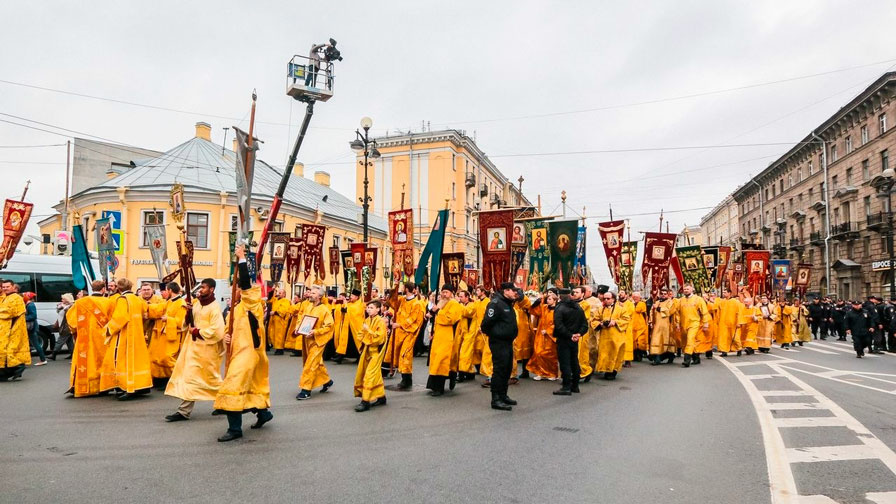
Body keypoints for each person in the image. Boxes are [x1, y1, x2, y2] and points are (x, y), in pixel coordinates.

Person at [214, 245, 273, 441]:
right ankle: (264, 414)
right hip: (237, 351)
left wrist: (241, 258)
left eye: (238, 288)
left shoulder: (252, 304)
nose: (237, 290)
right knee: (251, 385)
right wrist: (226, 337)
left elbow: (247, 284)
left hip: (249, 353)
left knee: (232, 386)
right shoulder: (234, 309)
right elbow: (229, 329)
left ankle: (235, 429)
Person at [164, 278, 225, 422]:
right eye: (200, 287)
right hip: (192, 348)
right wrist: (188, 313)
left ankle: (225, 402)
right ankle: (184, 411)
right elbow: (187, 323)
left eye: (204, 287)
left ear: (211, 289)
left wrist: (197, 331)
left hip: (207, 350)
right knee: (190, 377)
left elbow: (217, 331)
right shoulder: (197, 304)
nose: (200, 290)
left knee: (211, 379)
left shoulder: (214, 307)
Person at [99, 278, 153, 399]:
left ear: (119, 288)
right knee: (138, 361)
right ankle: (142, 386)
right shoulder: (137, 298)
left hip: (126, 335)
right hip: (138, 334)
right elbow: (145, 313)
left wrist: (108, 329)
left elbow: (120, 318)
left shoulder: (123, 299)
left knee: (124, 361)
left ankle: (129, 387)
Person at [65, 280, 110, 397]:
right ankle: (103, 386)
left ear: (92, 288)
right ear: (103, 289)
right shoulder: (109, 302)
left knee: (86, 363)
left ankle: (84, 386)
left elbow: (71, 320)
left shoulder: (80, 302)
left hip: (84, 337)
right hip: (103, 338)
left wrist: (75, 331)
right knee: (102, 362)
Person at [480, 282, 518, 410]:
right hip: (499, 342)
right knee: (499, 370)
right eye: (513, 290)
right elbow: (486, 323)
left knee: (507, 369)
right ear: (506, 291)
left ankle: (503, 395)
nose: (515, 293)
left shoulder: (507, 303)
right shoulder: (496, 303)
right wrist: (495, 334)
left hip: (508, 341)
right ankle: (496, 399)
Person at [296, 285, 335, 400]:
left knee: (311, 364)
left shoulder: (324, 310)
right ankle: (327, 381)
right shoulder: (308, 306)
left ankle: (306, 390)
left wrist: (316, 332)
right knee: (315, 362)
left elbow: (329, 326)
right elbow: (302, 318)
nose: (310, 294)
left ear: (319, 296)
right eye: (310, 292)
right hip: (307, 339)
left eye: (313, 293)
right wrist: (298, 327)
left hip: (318, 341)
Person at [146, 282, 188, 389]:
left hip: (175, 335)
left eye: (166, 290)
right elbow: (159, 308)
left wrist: (168, 319)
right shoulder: (170, 301)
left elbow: (181, 322)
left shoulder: (181, 303)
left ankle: (180, 380)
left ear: (170, 290)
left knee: (168, 358)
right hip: (166, 333)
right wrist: (145, 306)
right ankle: (163, 380)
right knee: (159, 357)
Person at [425, 285, 463, 397]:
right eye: (443, 292)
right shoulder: (441, 303)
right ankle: (435, 385)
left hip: (448, 338)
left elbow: (450, 319)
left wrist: (438, 311)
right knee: (436, 361)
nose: (444, 294)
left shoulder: (454, 304)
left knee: (441, 361)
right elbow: (436, 320)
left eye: (446, 292)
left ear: (451, 293)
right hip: (438, 337)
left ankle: (439, 388)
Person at [385, 282, 424, 391]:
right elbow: (392, 302)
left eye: (403, 287)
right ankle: (403, 377)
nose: (402, 289)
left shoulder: (417, 304)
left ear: (406, 289)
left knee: (405, 355)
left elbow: (414, 319)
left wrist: (400, 325)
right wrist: (395, 287)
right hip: (399, 332)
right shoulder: (402, 299)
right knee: (397, 354)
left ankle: (407, 379)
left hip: (409, 333)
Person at [353, 299, 388, 412]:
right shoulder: (367, 320)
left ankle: (365, 401)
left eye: (371, 308)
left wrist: (368, 331)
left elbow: (379, 338)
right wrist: (363, 336)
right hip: (366, 351)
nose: (368, 310)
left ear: (378, 309)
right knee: (371, 374)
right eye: (368, 307)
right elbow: (360, 334)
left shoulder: (380, 321)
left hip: (376, 353)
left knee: (369, 375)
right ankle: (381, 397)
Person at [552, 288, 587, 395]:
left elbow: (559, 325)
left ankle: (566, 386)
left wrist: (570, 335)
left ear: (560, 296)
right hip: (574, 339)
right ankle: (575, 385)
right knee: (574, 361)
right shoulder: (578, 307)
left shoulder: (560, 308)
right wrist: (579, 334)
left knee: (565, 363)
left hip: (564, 339)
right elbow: (584, 324)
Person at [593, 291, 631, 379]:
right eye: (604, 299)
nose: (606, 300)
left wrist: (615, 322)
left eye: (608, 298)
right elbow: (594, 320)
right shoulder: (600, 309)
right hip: (604, 336)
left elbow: (626, 319)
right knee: (604, 353)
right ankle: (605, 368)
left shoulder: (621, 309)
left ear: (613, 299)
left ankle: (613, 371)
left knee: (615, 353)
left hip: (616, 336)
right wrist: (600, 324)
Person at [0, 279, 30, 381]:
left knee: (10, 350)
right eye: (3, 287)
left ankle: (18, 367)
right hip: (4, 330)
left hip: (13, 329)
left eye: (7, 287)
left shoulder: (17, 298)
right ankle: (9, 371)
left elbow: (10, 312)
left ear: (13, 287)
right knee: (5, 350)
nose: (5, 288)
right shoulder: (5, 297)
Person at [527, 289, 558, 381]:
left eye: (550, 299)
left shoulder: (557, 310)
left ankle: (552, 373)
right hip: (540, 335)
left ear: (555, 300)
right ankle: (540, 372)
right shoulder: (544, 308)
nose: (548, 300)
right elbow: (534, 312)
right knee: (538, 353)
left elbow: (558, 323)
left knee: (550, 356)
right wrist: (535, 304)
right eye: (547, 299)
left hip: (551, 337)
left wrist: (548, 330)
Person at [676, 284, 710, 367]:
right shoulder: (680, 300)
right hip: (684, 324)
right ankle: (696, 358)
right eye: (685, 289)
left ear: (692, 289)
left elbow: (704, 312)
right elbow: (677, 313)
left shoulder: (698, 299)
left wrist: (705, 323)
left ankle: (687, 360)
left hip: (694, 323)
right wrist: (677, 323)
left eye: (687, 289)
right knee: (685, 342)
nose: (686, 290)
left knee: (690, 339)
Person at [333, 289, 364, 363]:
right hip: (347, 326)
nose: (351, 297)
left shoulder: (359, 304)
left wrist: (346, 305)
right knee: (344, 342)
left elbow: (353, 312)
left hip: (355, 327)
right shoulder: (350, 303)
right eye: (351, 295)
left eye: (352, 296)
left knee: (356, 343)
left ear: (357, 297)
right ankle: (339, 357)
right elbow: (343, 310)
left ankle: (359, 358)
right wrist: (343, 304)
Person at [648, 288, 678, 364]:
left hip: (666, 325)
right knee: (656, 340)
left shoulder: (670, 302)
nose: (663, 295)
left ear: (668, 295)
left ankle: (670, 356)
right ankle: (657, 358)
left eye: (665, 294)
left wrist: (658, 308)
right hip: (657, 325)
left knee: (667, 341)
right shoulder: (657, 302)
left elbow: (669, 311)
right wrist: (651, 321)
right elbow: (651, 312)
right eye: (662, 294)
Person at [49, 293, 76, 360]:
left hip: (67, 326)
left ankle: (53, 354)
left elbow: (69, 313)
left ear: (67, 299)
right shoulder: (64, 305)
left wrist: (64, 307)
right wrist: (59, 307)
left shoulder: (71, 306)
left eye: (63, 299)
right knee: (69, 341)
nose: (61, 300)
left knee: (60, 340)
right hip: (64, 325)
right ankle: (73, 354)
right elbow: (59, 313)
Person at [715, 290, 741, 357]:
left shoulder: (735, 302)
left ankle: (738, 349)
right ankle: (724, 351)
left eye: (725, 292)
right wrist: (718, 321)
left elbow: (739, 313)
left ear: (729, 293)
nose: (724, 294)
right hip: (723, 322)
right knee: (723, 337)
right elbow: (718, 312)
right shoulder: (721, 302)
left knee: (735, 337)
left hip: (733, 322)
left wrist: (739, 322)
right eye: (723, 292)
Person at [24, 292, 47, 366]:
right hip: (32, 327)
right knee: (35, 343)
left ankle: (43, 359)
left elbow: (33, 316)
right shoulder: (29, 304)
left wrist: (23, 318)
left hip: (31, 327)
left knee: (36, 344)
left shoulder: (30, 305)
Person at [268, 287, 292, 355]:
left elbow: (284, 310)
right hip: (274, 320)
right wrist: (273, 291)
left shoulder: (285, 301)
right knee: (274, 334)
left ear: (284, 294)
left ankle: (280, 349)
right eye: (278, 292)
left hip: (280, 320)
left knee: (280, 335)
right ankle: (276, 348)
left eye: (280, 293)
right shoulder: (276, 300)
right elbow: (269, 299)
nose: (278, 294)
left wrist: (275, 312)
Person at [630, 292, 649, 361]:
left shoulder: (642, 303)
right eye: (634, 297)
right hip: (633, 324)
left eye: (637, 297)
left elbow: (638, 310)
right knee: (634, 341)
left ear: (639, 298)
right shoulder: (631, 304)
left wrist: (633, 304)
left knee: (640, 341)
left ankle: (639, 355)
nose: (635, 298)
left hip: (641, 324)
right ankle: (634, 355)